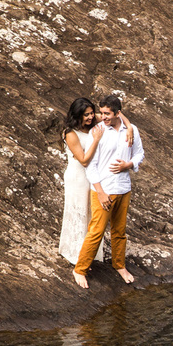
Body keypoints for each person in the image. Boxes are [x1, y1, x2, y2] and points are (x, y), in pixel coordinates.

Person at [73, 94, 144, 288]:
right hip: (103, 189)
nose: (102, 116)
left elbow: (139, 154)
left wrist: (129, 164)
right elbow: (91, 165)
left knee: (119, 231)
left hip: (124, 188)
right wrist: (100, 192)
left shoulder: (132, 130)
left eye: (107, 113)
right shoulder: (97, 131)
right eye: (101, 112)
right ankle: (79, 269)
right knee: (96, 231)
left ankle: (119, 265)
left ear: (117, 113)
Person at [58, 98, 132, 273]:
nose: (91, 117)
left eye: (92, 113)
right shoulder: (70, 133)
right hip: (78, 177)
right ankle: (75, 255)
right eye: (86, 115)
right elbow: (83, 160)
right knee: (78, 211)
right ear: (78, 115)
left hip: (94, 176)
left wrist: (128, 127)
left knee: (92, 215)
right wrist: (96, 140)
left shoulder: (94, 120)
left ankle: (91, 254)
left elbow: (118, 115)